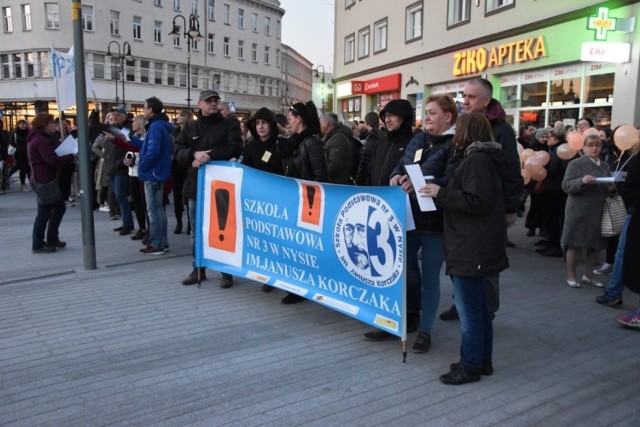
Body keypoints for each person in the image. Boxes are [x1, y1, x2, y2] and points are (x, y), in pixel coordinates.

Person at [422, 113, 510, 385]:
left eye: (457, 128)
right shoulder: (481, 159)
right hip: (476, 243)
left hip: (472, 245)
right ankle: (481, 360)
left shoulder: (475, 160)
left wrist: (440, 193)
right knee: (479, 308)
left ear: (466, 132)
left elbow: (476, 201)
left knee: (470, 310)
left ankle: (470, 366)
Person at [440, 77, 523, 321]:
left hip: (486, 209)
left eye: (471, 97)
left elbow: (511, 171)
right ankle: (462, 302)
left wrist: (509, 207)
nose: (465, 101)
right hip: (462, 208)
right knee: (462, 262)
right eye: (464, 96)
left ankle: (486, 311)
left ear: (486, 100)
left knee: (485, 264)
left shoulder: (501, 130)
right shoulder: (461, 126)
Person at [386, 94, 459, 353]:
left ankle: (425, 331)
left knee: (430, 279)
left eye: (432, 112)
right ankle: (406, 317)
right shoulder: (419, 138)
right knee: (404, 273)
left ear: (448, 116)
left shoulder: (455, 144)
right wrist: (396, 175)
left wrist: (422, 183)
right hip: (407, 216)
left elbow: (451, 177)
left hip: (434, 222)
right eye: (425, 112)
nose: (426, 117)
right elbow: (402, 163)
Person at [359, 98, 419, 340]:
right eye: (385, 115)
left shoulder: (414, 143)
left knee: (408, 266)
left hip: (405, 213)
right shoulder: (381, 142)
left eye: (393, 115)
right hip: (378, 212)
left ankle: (413, 311)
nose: (388, 119)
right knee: (382, 265)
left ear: (405, 117)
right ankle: (385, 314)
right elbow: (371, 172)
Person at [174, 90, 242, 287]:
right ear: (200, 104)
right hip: (195, 185)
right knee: (196, 231)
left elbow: (235, 147)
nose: (213, 104)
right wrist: (193, 154)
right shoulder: (191, 126)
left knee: (223, 228)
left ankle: (226, 271)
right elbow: (177, 150)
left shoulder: (228, 124)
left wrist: (210, 155)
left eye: (215, 101)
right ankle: (198, 269)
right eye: (209, 101)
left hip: (220, 187)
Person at [281, 100, 328, 304]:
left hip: (306, 204)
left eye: (290, 118)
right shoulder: (296, 141)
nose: (289, 122)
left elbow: (320, 177)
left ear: (299, 119)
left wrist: (308, 199)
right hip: (293, 201)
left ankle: (302, 288)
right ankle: (296, 285)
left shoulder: (312, 143)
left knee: (302, 249)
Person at [242, 107, 292, 292]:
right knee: (262, 239)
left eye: (264, 123)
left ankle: (281, 275)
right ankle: (268, 276)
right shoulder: (251, 146)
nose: (261, 127)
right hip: (257, 200)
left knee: (278, 239)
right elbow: (245, 170)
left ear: (271, 125)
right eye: (258, 123)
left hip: (278, 200)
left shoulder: (281, 144)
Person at [561, 134, 612, 288]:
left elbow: (609, 186)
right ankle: (571, 275)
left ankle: (589, 275)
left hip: (599, 209)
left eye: (597, 145)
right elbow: (566, 186)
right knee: (574, 243)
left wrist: (612, 186)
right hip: (579, 210)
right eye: (590, 145)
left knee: (595, 245)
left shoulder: (605, 166)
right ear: (583, 148)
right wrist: (581, 181)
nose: (594, 148)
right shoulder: (576, 164)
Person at [596, 139, 639, 316]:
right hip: (634, 212)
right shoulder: (633, 159)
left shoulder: (636, 159)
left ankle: (613, 293)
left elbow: (631, 188)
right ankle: (613, 292)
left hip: (636, 213)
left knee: (624, 252)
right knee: (623, 252)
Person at [27, 113, 75, 253]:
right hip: (44, 180)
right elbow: (51, 160)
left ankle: (51, 239)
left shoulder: (38, 138)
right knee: (45, 212)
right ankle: (39, 244)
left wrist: (61, 146)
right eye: (52, 123)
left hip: (43, 179)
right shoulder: (41, 140)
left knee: (57, 208)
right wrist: (70, 156)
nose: (54, 125)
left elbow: (49, 154)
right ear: (44, 125)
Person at [535, 127, 569, 258]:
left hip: (554, 189)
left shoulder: (557, 152)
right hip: (557, 188)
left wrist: (542, 172)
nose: (547, 140)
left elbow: (553, 170)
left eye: (548, 137)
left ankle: (555, 245)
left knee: (552, 218)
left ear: (554, 138)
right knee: (553, 218)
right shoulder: (560, 149)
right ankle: (552, 243)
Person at [171, 109, 194, 235]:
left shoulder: (191, 131)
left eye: (181, 115)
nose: (178, 117)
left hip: (186, 166)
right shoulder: (175, 131)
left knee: (187, 195)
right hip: (176, 166)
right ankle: (179, 222)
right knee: (176, 196)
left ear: (187, 117)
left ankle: (190, 223)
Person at [319, 112, 353, 185]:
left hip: (336, 186)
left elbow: (334, 165)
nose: (319, 125)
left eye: (320, 122)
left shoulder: (338, 139)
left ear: (326, 124)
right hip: (332, 183)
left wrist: (320, 177)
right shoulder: (331, 137)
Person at [354, 111, 383, 186]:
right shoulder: (384, 136)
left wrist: (357, 181)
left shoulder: (370, 139)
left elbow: (364, 163)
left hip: (369, 180)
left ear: (366, 123)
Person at [9, 120, 31, 191]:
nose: (24, 125)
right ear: (18, 125)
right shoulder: (15, 132)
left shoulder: (28, 132)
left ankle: (6, 177)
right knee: (23, 167)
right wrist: (18, 147)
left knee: (26, 167)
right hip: (18, 153)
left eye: (24, 124)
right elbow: (12, 142)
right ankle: (23, 184)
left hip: (27, 152)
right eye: (22, 124)